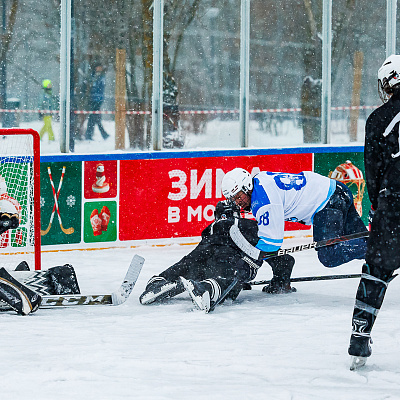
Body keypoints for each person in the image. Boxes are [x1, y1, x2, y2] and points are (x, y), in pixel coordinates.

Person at [139, 200, 296, 312]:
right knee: (229, 278)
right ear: (238, 213)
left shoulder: (210, 228)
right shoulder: (248, 225)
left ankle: (158, 282)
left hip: (201, 254)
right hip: (226, 258)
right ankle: (207, 288)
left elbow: (201, 256)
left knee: (186, 266)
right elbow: (285, 261)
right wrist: (279, 283)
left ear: (216, 215)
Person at [347, 54, 400, 369]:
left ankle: (359, 335)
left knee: (376, 270)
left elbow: (373, 170)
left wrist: (380, 209)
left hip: (393, 203)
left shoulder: (378, 119)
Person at [221, 168, 368, 268]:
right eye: (233, 199)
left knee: (329, 256)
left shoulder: (263, 200)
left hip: (327, 202)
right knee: (364, 241)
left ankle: (382, 249)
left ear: (247, 186)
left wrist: (248, 263)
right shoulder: (260, 180)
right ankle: (386, 249)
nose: (238, 202)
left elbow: (271, 243)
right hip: (338, 190)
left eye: (239, 196)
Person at [85, 64, 109, 141]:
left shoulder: (101, 77)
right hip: (92, 99)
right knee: (94, 117)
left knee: (93, 117)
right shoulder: (93, 76)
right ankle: (102, 134)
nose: (98, 68)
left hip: (97, 99)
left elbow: (99, 87)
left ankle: (90, 134)